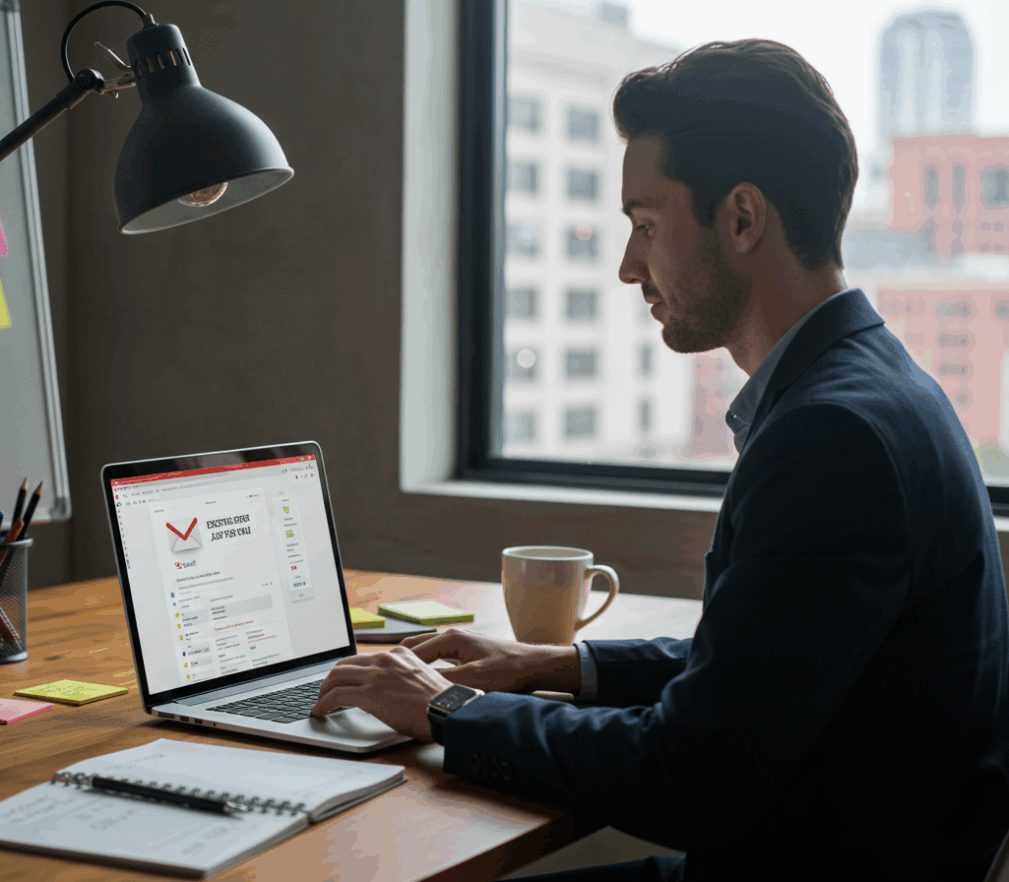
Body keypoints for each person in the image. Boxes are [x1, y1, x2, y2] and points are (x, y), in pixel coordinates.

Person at [311, 38, 1009, 881]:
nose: (627, 266)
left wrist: (448, 709)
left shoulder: (833, 437)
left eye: (645, 224)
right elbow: (769, 659)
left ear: (742, 219)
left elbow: (689, 776)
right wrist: (560, 664)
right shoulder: (876, 387)